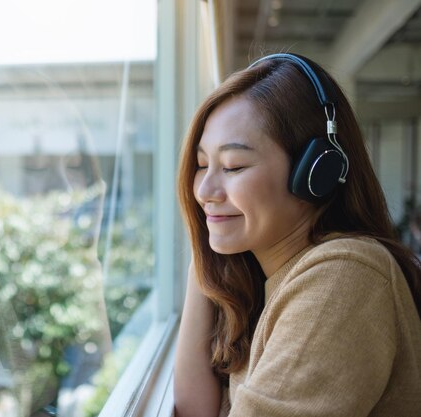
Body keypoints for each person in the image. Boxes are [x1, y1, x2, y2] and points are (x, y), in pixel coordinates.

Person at [173, 53, 421, 417]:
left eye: (233, 166)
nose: (205, 190)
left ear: (316, 173)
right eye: (202, 165)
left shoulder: (345, 276)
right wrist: (206, 245)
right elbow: (196, 410)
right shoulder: (267, 280)